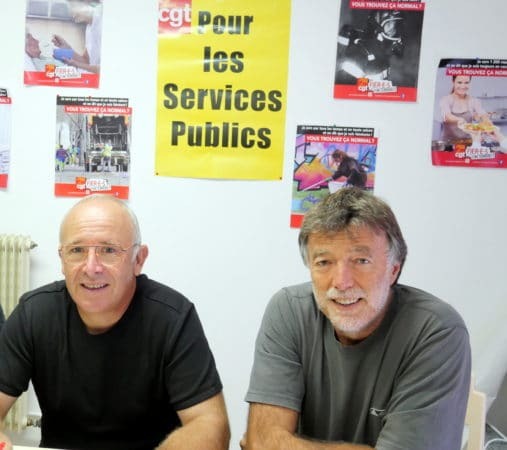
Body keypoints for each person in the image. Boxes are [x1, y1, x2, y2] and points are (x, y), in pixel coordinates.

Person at [242, 187, 471, 450]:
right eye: (324, 262)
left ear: (394, 270)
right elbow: (261, 442)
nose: (342, 282)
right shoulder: (289, 310)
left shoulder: (436, 330)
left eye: (361, 260)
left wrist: (286, 444)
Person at [0, 195, 230, 450]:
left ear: (139, 259)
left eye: (108, 250)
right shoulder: (34, 313)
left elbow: (210, 427)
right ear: (62, 259)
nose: (91, 268)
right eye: (77, 250)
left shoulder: (172, 318)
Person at [52, 0, 102, 74]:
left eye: (73, 6)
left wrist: (76, 64)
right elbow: (86, 62)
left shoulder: (103, 22)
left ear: (86, 2)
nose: (71, 13)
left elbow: (105, 69)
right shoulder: (89, 28)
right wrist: (67, 48)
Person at [440, 75, 491, 142]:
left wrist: (486, 122)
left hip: (467, 142)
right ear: (453, 82)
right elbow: (447, 116)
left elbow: (482, 114)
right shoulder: (446, 100)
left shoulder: (474, 101)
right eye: (459, 82)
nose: (463, 86)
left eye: (466, 83)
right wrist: (459, 119)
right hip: (448, 142)